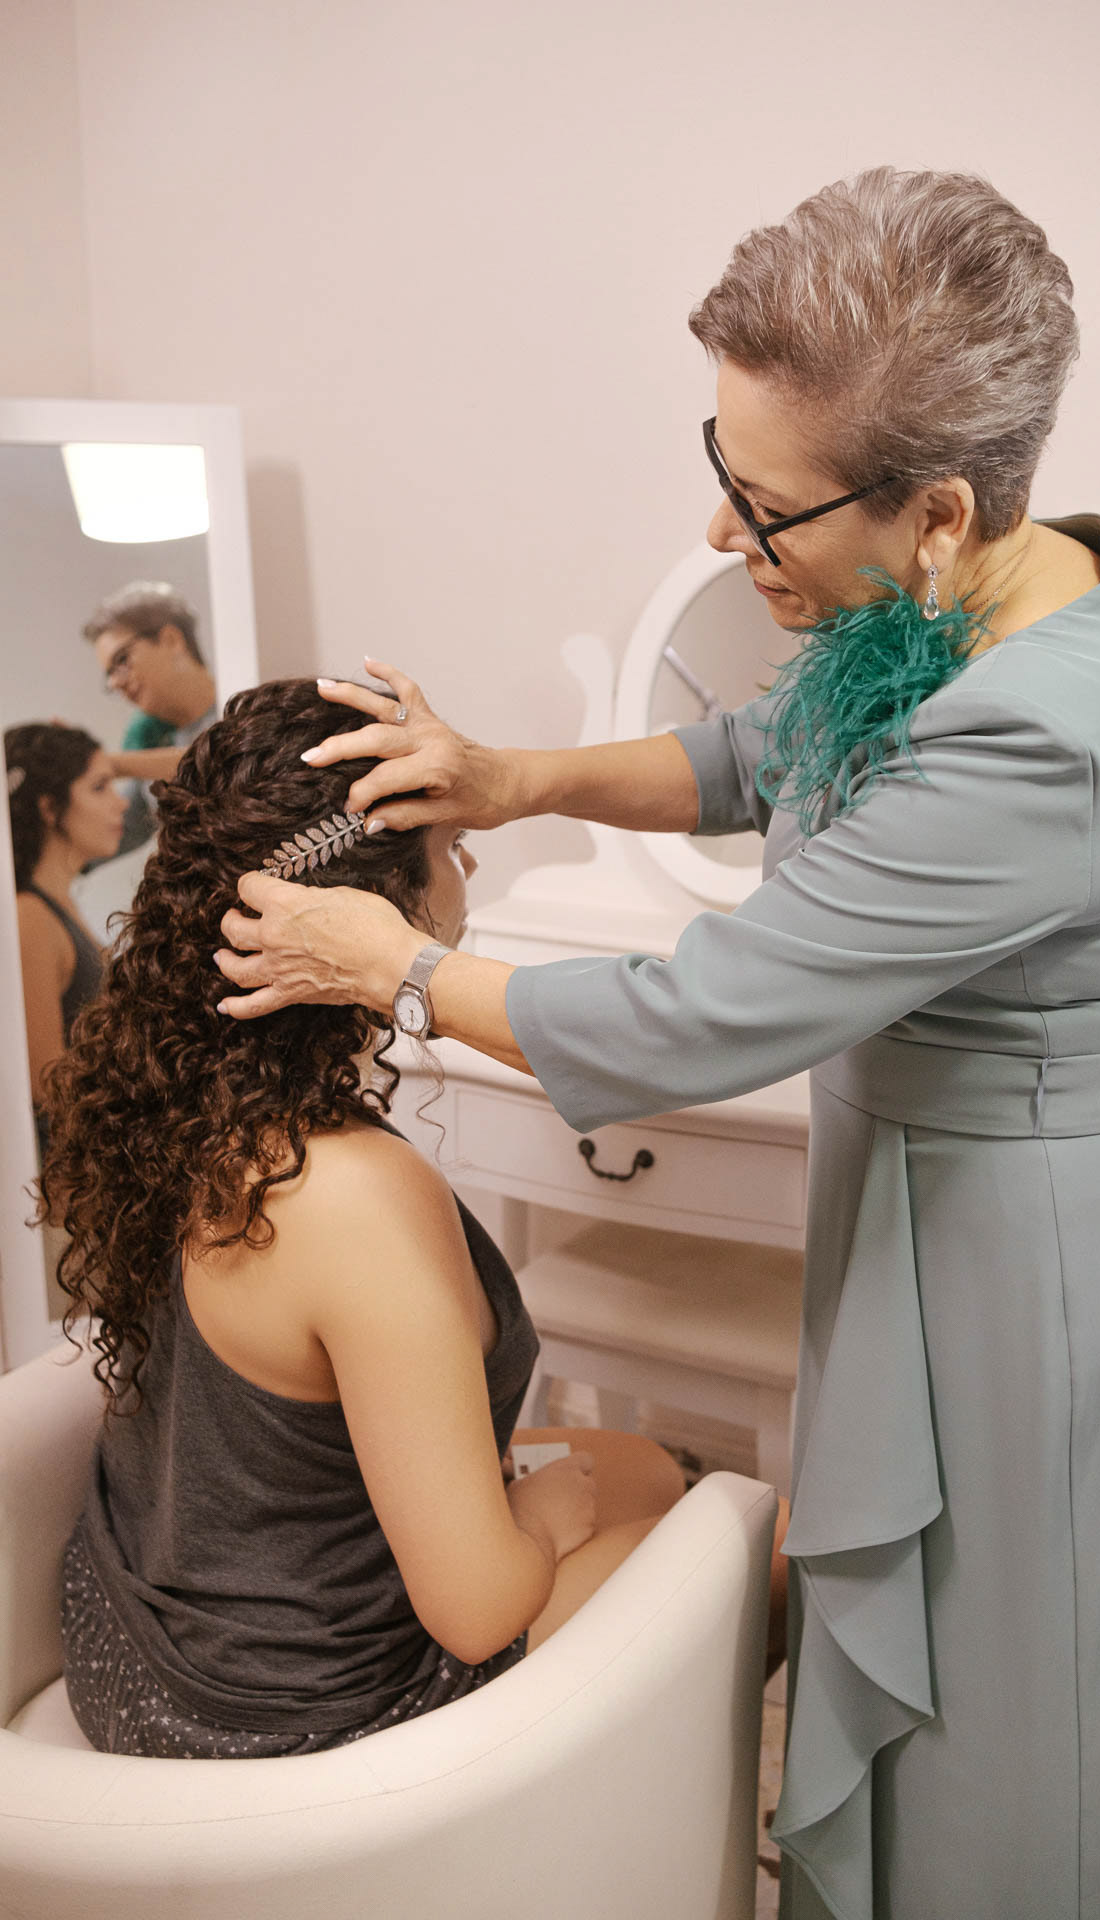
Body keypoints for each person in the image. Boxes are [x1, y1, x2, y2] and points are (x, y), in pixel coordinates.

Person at [213, 167, 1100, 1920]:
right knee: (954, 1705)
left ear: (934, 511)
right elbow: (761, 755)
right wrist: (510, 777)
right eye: (722, 474)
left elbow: (694, 1015)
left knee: (1039, 1725)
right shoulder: (964, 591)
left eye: (762, 509)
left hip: (1066, 1272)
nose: (722, 540)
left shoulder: (1043, 741)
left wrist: (387, 961)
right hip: (946, 1197)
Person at [39, 678, 705, 1760]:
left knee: (636, 1465)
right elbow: (478, 1610)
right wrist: (534, 1525)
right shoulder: (350, 1197)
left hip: (132, 1631)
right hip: (276, 1718)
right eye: (449, 846)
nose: (471, 865)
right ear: (369, 910)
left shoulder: (171, 1098)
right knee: (741, 1544)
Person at [4, 722, 124, 1123]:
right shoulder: (30, 917)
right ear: (50, 808)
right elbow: (45, 1083)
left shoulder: (61, 903)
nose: (121, 803)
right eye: (99, 787)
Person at [82, 580, 218, 854]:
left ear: (171, 640)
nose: (116, 683)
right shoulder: (144, 737)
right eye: (109, 674)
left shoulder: (244, 707)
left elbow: (220, 763)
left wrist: (106, 763)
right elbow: (124, 828)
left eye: (121, 660)